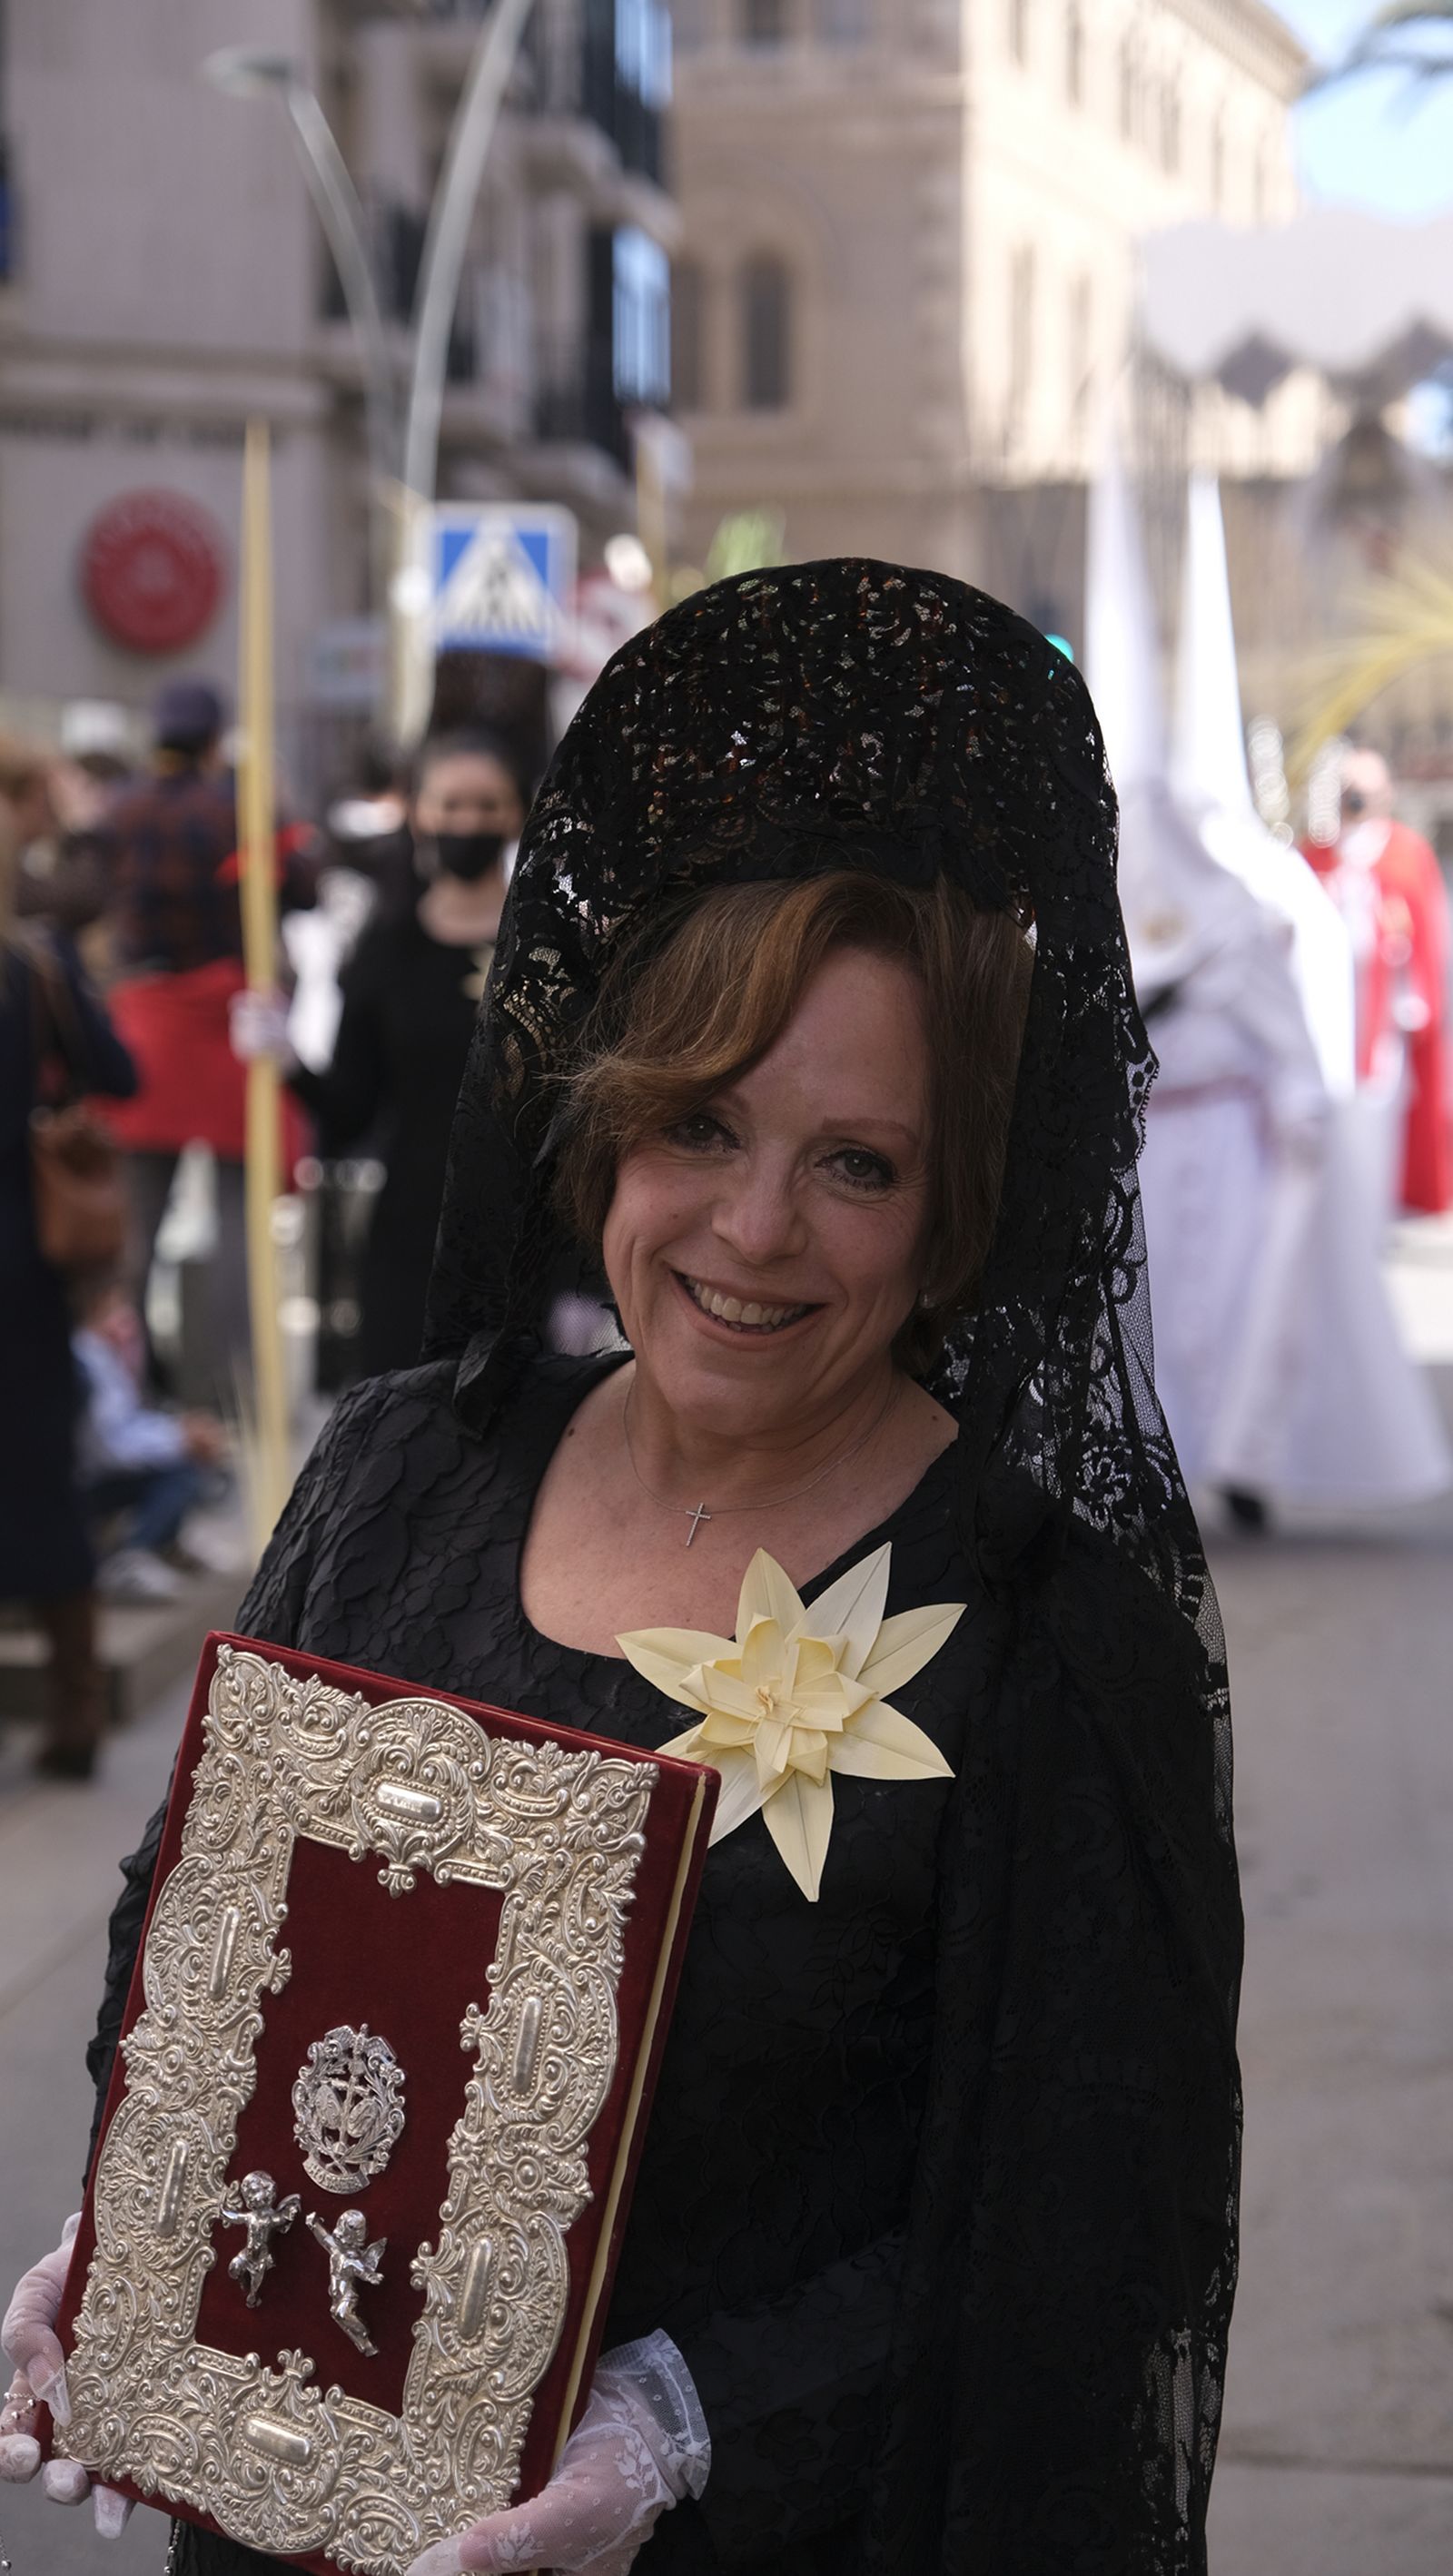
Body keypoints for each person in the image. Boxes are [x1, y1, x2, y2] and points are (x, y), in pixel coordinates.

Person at [2, 563, 1242, 2571]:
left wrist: (678, 2429)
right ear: (597, 1133)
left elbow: (1072, 2225)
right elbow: (201, 1913)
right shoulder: (407, 1460)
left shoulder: (1039, 1633)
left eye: (855, 1161)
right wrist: (134, 2242)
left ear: (950, 1218)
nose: (752, 1229)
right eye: (699, 1125)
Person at [232, 727, 530, 1379]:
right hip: (411, 1238)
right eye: (451, 805)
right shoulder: (386, 950)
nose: (467, 821)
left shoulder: (548, 948)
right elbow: (351, 1109)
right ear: (419, 812)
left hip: (531, 1237)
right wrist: (283, 1057)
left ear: (515, 814)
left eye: (486, 805)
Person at [94, 677, 312, 1404]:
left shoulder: (118, 808)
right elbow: (302, 883)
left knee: (134, 1222)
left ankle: (121, 1382)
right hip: (225, 1023)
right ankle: (224, 1391)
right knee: (235, 1220)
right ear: (216, 739)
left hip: (143, 1024)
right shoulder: (235, 810)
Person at [0, 748, 137, 1780]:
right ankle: (76, 1704)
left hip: (23, 1270)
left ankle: (78, 1705)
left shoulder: (34, 956)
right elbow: (115, 1070)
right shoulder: (36, 959)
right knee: (46, 1476)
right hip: (23, 1268)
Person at [1302, 746, 1453, 1216]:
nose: (1354, 803)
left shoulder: (1407, 849)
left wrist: (1419, 995)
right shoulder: (1317, 852)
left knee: (1383, 1099)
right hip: (1328, 1006)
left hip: (1386, 1005)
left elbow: (1426, 927)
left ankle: (1381, 1193)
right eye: (1347, 794)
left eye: (1363, 793)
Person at [72, 1280, 228, 1601]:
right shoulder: (84, 1356)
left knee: (192, 1461)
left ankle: (165, 1546)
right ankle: (132, 1555)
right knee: (181, 1471)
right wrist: (180, 1440)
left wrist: (180, 1430)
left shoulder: (100, 1354)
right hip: (86, 1479)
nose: (125, 1318)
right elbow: (110, 1446)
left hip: (96, 1470)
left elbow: (127, 1422)